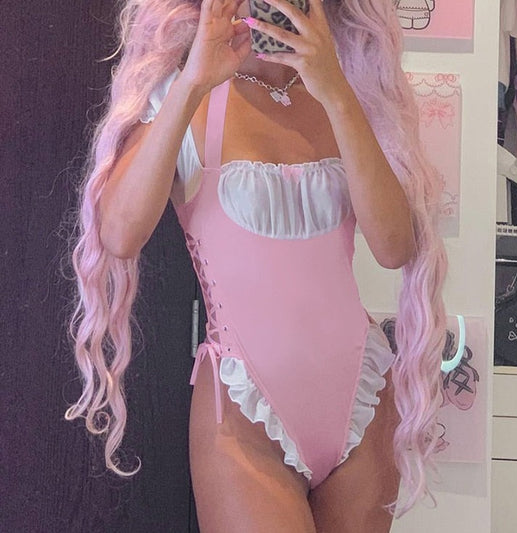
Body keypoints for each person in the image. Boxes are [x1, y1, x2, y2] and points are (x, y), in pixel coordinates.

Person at [64, 0, 449, 531]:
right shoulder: (184, 92)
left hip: (363, 394)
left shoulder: (350, 89)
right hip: (244, 409)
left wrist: (336, 90)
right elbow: (119, 235)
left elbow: (394, 247)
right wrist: (192, 82)